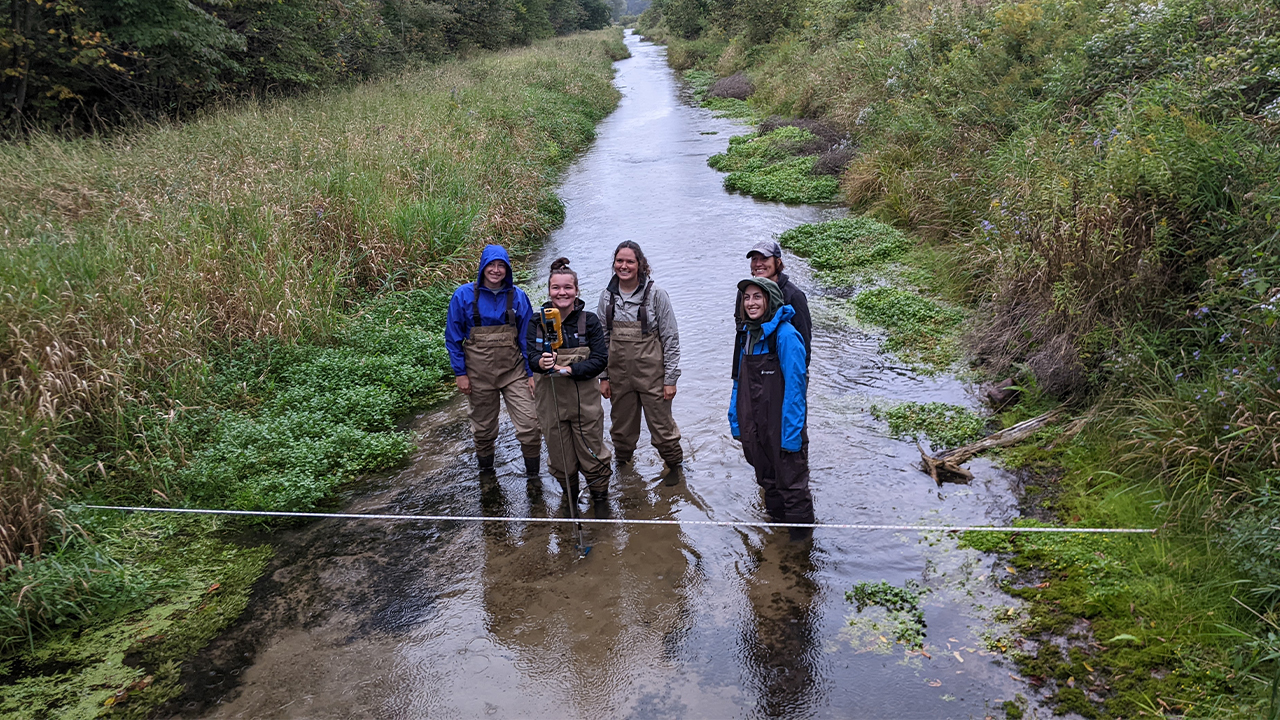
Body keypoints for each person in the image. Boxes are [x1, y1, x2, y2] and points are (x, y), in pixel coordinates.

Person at [729, 276, 814, 540]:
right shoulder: (747, 334)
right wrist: (735, 419)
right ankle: (777, 536)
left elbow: (796, 389)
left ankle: (801, 551)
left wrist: (790, 437)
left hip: (782, 427)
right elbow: (738, 382)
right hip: (755, 426)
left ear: (771, 300)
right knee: (767, 482)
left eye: (757, 297)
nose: (751, 303)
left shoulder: (787, 335)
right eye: (747, 297)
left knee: (793, 487)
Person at [445, 244, 542, 476]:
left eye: (501, 266)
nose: (496, 270)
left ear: (507, 270)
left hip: (514, 372)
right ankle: (486, 475)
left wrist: (531, 373)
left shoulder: (517, 296)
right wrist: (460, 374)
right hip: (478, 375)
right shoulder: (463, 296)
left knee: (530, 426)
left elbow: (528, 339)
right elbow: (453, 339)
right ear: (482, 267)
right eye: (491, 265)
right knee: (483, 430)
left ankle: (533, 478)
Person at [527, 258, 612, 509]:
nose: (562, 293)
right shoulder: (537, 321)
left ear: (576, 291)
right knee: (560, 457)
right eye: (556, 288)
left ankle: (600, 501)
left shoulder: (590, 321)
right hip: (550, 402)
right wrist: (540, 363)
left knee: (592, 453)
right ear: (549, 291)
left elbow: (600, 360)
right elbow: (530, 356)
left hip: (584, 403)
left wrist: (569, 369)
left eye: (567, 288)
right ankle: (571, 500)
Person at [597, 241, 684, 480]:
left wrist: (670, 379)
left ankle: (677, 472)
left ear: (640, 265)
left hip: (653, 378)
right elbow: (601, 340)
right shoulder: (606, 298)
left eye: (630, 262)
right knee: (621, 432)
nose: (624, 266)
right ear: (614, 264)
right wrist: (603, 377)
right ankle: (624, 473)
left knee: (663, 431)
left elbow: (671, 339)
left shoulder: (657, 295)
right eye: (619, 261)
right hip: (619, 378)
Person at [732, 240, 812, 380]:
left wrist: (800, 375)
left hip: (783, 370)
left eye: (764, 259)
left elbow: (804, 340)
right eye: (754, 259)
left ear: (778, 262)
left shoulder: (794, 295)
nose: (758, 264)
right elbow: (742, 330)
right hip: (751, 366)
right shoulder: (744, 292)